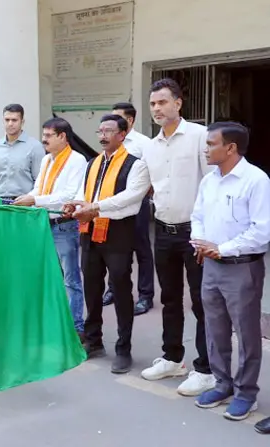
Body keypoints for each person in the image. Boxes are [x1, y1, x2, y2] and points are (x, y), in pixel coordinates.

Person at [190, 122, 270, 422]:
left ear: (231, 148)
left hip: (242, 268)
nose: (206, 149)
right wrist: (200, 242)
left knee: (246, 333)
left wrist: (222, 249)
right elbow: (197, 216)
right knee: (215, 329)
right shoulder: (209, 181)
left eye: (211, 144)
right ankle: (222, 384)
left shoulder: (256, 180)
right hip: (210, 265)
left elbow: (261, 232)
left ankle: (246, 393)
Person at [140, 78, 215, 397]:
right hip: (164, 232)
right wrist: (96, 207)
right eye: (152, 103)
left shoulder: (199, 136)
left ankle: (206, 369)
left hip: (194, 234)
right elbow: (138, 189)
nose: (156, 108)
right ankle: (172, 358)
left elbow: (213, 186)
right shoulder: (150, 146)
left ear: (178, 103)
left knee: (202, 302)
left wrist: (207, 235)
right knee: (169, 299)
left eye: (162, 102)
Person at [63, 114, 150, 374]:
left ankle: (124, 348)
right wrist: (76, 204)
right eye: (100, 131)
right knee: (91, 287)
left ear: (122, 135)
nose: (102, 136)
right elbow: (84, 193)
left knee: (121, 289)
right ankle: (94, 340)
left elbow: (130, 199)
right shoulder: (93, 163)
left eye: (109, 131)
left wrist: (94, 208)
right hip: (89, 230)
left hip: (118, 232)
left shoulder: (136, 165)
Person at [14, 117, 87, 340]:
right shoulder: (47, 160)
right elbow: (38, 188)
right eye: (43, 135)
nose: (43, 139)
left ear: (62, 137)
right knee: (49, 276)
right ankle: (54, 322)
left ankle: (75, 328)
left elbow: (69, 195)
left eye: (48, 135)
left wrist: (34, 201)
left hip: (64, 226)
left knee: (71, 280)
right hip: (43, 225)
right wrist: (27, 198)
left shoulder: (77, 160)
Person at [102, 103, 155, 316]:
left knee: (142, 249)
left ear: (130, 120)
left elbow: (152, 172)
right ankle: (114, 289)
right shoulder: (109, 141)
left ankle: (145, 295)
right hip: (111, 203)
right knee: (114, 249)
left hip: (136, 203)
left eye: (118, 117)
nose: (112, 121)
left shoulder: (144, 144)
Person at [0, 104, 43, 200]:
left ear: (22, 122)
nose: (10, 124)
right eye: (7, 120)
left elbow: (39, 180)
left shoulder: (35, 147)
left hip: (23, 202)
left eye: (14, 120)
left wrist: (32, 200)